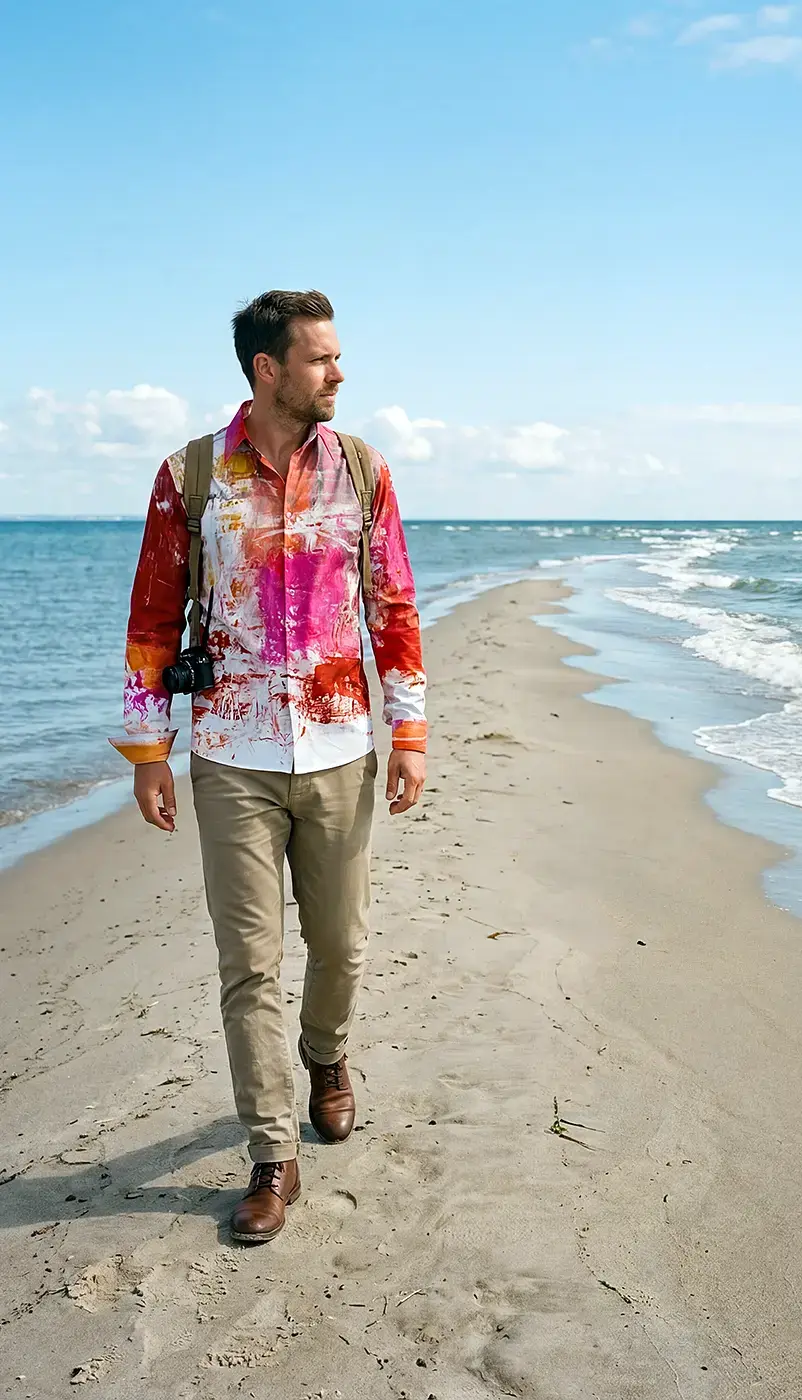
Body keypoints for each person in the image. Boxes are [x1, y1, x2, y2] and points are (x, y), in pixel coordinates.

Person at [110, 289, 427, 1243]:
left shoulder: (364, 472)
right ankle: (270, 1155)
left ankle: (327, 1059)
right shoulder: (191, 477)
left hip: (338, 750)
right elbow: (154, 618)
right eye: (322, 359)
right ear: (268, 369)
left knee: (341, 947)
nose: (339, 373)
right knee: (249, 964)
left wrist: (407, 733)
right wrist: (146, 751)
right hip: (231, 757)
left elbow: (394, 611)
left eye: (336, 357)